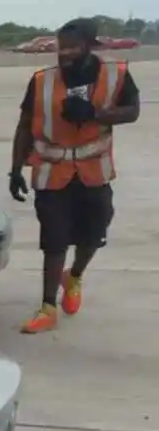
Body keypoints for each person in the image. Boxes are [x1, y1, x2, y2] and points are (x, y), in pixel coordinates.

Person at [10, 18, 140, 334]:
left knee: (92, 237)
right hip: (52, 173)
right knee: (53, 241)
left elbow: (133, 111)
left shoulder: (116, 75)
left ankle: (75, 275)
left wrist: (96, 114)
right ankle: (47, 307)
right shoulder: (41, 81)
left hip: (94, 173)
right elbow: (25, 124)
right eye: (61, 46)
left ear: (89, 45)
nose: (64, 53)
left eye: (72, 47)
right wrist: (15, 169)